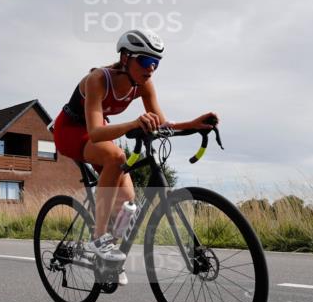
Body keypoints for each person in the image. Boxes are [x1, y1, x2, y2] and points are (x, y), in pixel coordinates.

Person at [51, 29, 218, 284]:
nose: (151, 68)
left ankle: (110, 259)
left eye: (156, 63)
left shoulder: (144, 84)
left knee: (129, 203)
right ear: (126, 57)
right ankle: (98, 238)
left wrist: (192, 124)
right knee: (117, 157)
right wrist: (132, 124)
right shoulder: (98, 79)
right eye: (145, 61)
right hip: (71, 131)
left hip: (100, 132)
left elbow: (161, 123)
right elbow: (95, 132)